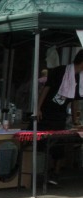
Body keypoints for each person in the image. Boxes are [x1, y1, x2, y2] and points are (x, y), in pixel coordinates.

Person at [36, 49, 83, 184]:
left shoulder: (80, 78)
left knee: (59, 144)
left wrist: (75, 119)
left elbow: (74, 99)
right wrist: (38, 108)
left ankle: (55, 173)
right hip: (46, 112)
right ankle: (43, 172)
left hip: (60, 114)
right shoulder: (59, 71)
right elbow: (46, 89)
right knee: (42, 143)